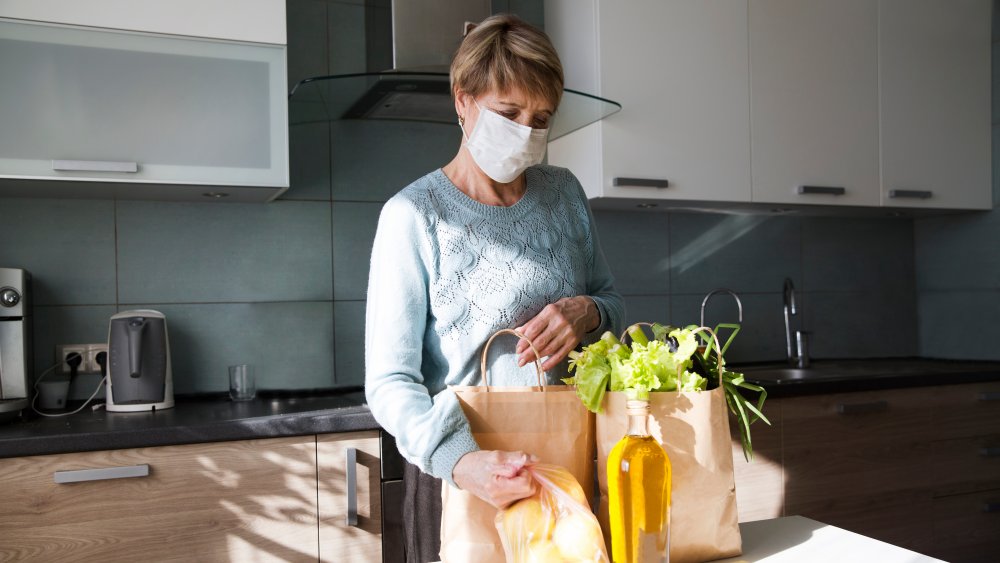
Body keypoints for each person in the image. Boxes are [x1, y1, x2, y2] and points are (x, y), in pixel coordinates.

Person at [364, 13, 625, 563]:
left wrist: (587, 313)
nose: (527, 133)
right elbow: (390, 381)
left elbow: (613, 305)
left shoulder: (565, 195)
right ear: (463, 102)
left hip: (565, 471)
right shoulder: (413, 215)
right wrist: (462, 462)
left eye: (541, 118)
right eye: (509, 113)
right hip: (462, 481)